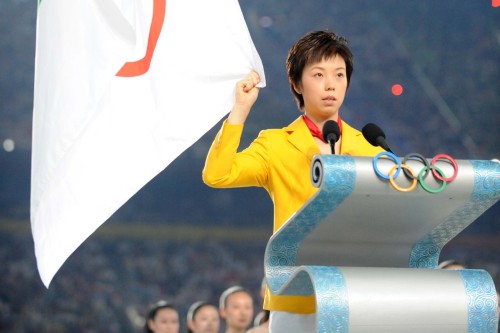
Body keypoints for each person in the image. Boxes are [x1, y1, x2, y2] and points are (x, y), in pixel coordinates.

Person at [203, 30, 384, 332]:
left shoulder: (370, 147)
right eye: (318, 74)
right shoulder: (275, 144)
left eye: (339, 75)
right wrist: (240, 109)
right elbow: (217, 174)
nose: (331, 84)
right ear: (298, 84)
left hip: (356, 294)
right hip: (295, 295)